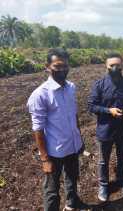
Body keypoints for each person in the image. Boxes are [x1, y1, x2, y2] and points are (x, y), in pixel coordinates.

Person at [27, 48, 88, 211]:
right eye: (57, 66)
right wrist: (45, 159)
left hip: (72, 145)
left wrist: (79, 139)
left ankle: (72, 203)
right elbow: (38, 129)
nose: (62, 70)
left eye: (65, 66)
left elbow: (74, 115)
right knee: (52, 190)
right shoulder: (40, 94)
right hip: (54, 151)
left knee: (72, 178)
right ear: (47, 67)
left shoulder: (71, 87)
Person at [88, 52, 123, 202]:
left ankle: (121, 180)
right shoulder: (100, 84)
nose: (115, 68)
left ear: (122, 65)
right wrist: (108, 110)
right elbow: (91, 106)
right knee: (103, 160)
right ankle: (104, 185)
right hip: (105, 129)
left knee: (122, 157)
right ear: (106, 66)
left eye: (118, 65)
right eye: (112, 65)